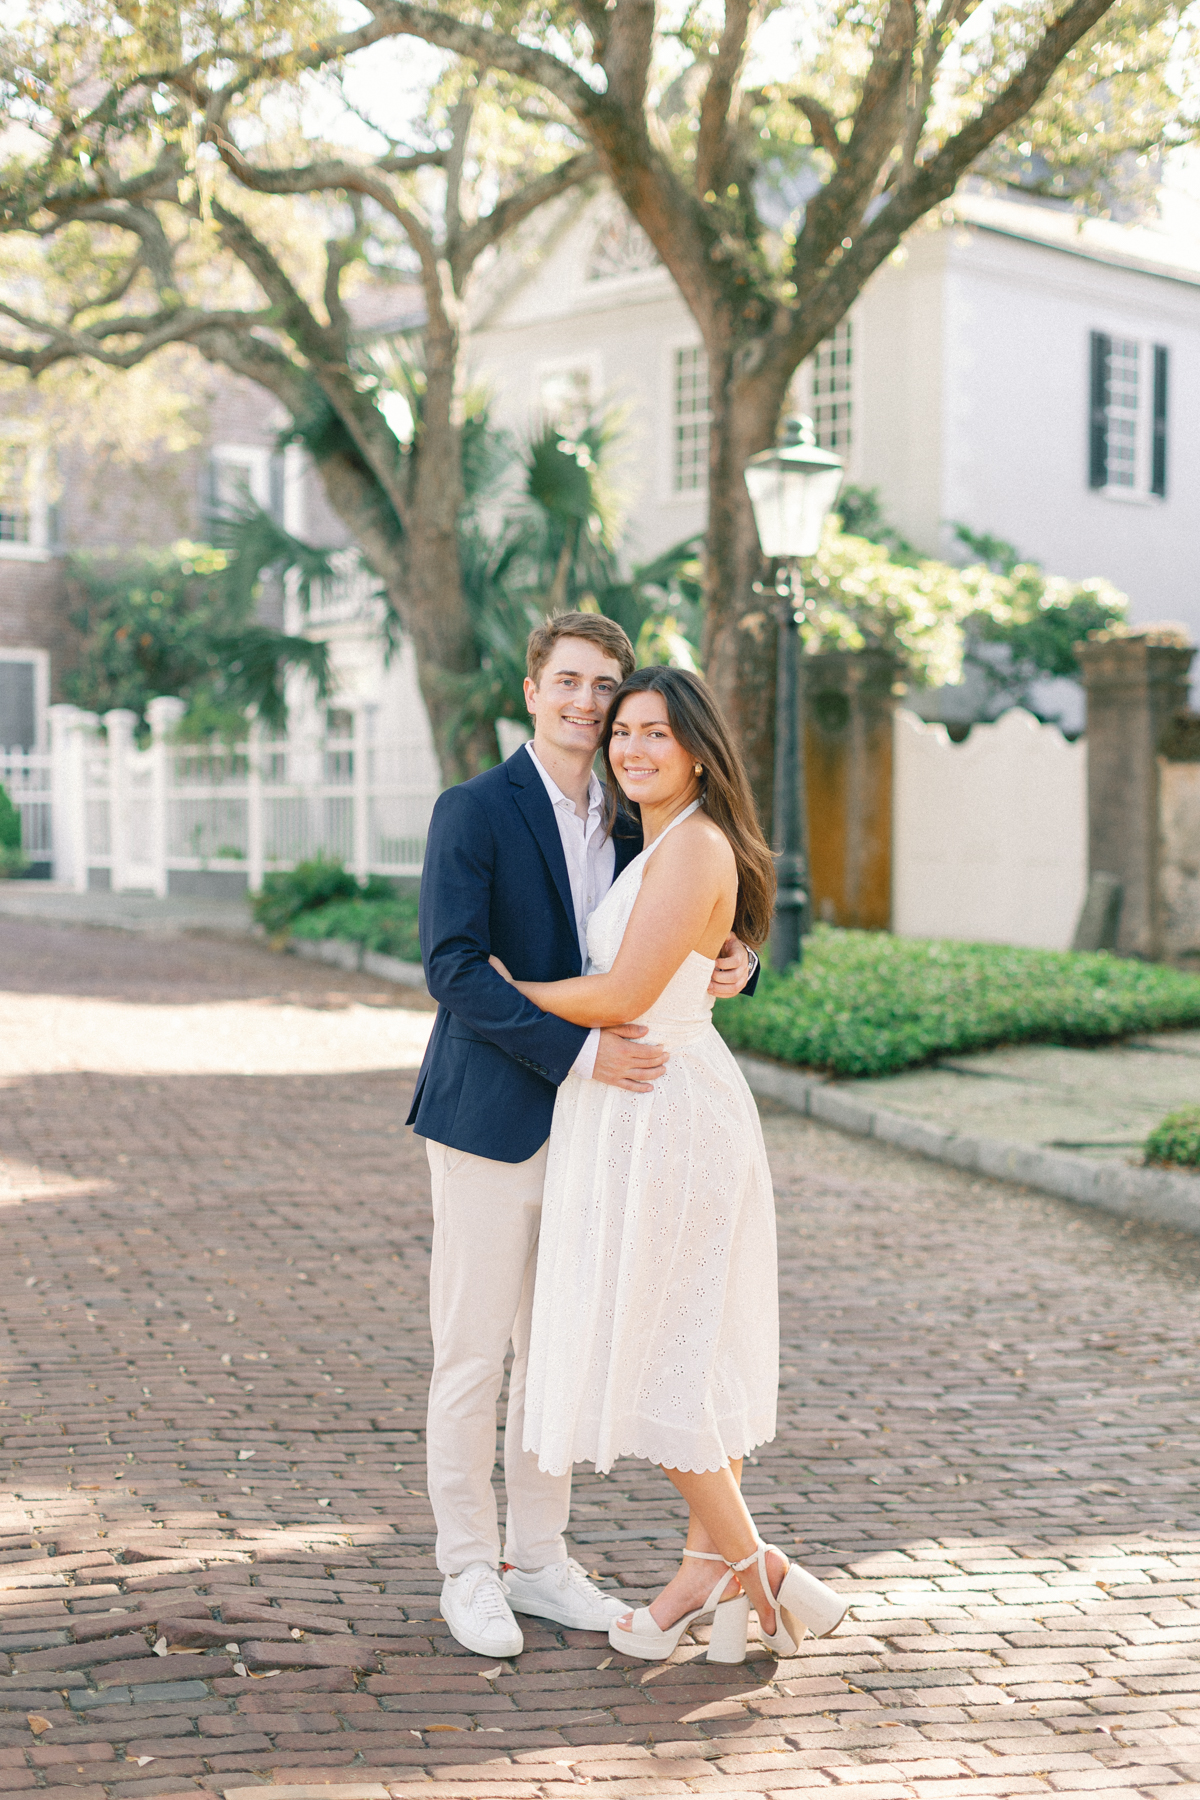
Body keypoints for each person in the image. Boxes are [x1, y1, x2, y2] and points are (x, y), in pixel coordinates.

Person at [407, 614, 757, 1657]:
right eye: (567, 681)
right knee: (473, 1352)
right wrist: (578, 1054)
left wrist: (739, 961)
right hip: (492, 1116)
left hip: (607, 1130)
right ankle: (469, 1566)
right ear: (531, 689)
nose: (587, 703)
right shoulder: (472, 810)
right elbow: (455, 970)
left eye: (603, 686)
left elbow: (696, 913)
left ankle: (541, 1561)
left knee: (557, 1343)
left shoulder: (641, 812)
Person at [489, 666, 847, 1663]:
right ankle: (722, 1574)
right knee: (684, 1338)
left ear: (697, 747)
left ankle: (755, 1572)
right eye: (623, 734)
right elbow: (672, 963)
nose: (633, 748)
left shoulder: (691, 846)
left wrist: (506, 986)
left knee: (669, 1350)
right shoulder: (662, 844)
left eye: (655, 732)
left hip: (669, 1110)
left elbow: (624, 993)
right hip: (644, 1103)